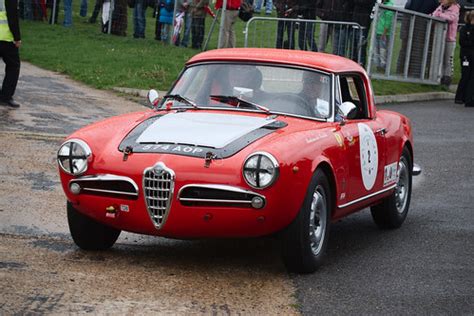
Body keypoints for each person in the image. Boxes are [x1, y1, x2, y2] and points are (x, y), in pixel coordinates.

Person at [397, 0, 438, 77]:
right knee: (410, 49)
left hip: (418, 26)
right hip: (415, 25)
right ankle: (407, 71)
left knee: (415, 50)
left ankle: (410, 72)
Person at [432, 0, 460, 87]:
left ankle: (447, 79)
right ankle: (437, 78)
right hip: (440, 37)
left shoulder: (455, 8)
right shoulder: (440, 7)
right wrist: (438, 15)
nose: (441, 1)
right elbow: (433, 15)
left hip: (449, 39)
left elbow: (451, 18)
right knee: (438, 58)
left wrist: (439, 15)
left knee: (447, 60)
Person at [0, 0, 21, 108]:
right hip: (5, 38)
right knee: (13, 66)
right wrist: (17, 37)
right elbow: (12, 16)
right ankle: (6, 96)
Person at [455, 11, 474, 106]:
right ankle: (460, 97)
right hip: (466, 55)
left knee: (471, 77)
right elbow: (462, 42)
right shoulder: (464, 29)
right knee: (466, 76)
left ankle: (467, 97)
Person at [351, 0, 376, 66]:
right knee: (354, 47)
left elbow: (368, 3)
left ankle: (361, 64)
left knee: (361, 47)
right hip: (354, 23)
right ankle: (353, 63)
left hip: (363, 23)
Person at [373, 0, 394, 71]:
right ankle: (378, 66)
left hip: (383, 33)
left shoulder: (390, 5)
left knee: (383, 50)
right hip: (377, 31)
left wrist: (384, 33)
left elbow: (388, 21)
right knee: (377, 50)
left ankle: (383, 66)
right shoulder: (381, 4)